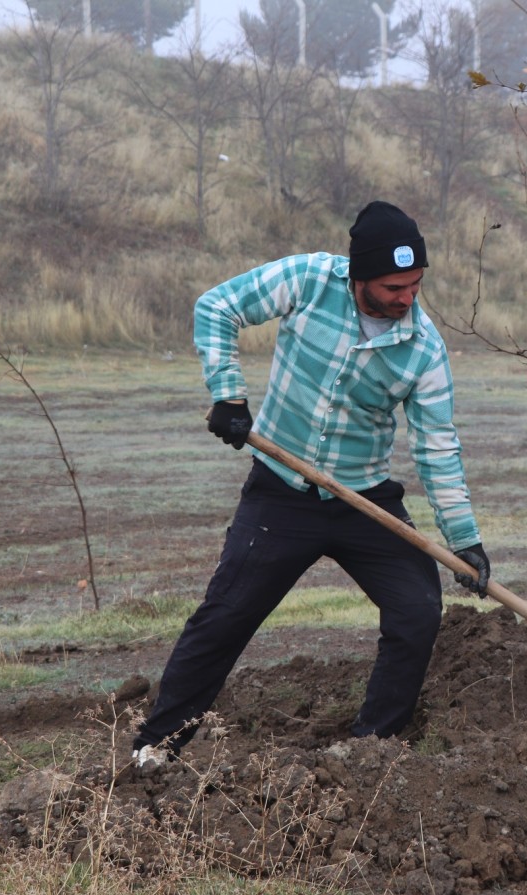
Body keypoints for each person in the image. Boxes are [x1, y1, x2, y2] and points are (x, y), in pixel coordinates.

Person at [132, 201, 492, 769]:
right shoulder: (308, 279)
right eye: (394, 287)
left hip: (365, 501)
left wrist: (464, 539)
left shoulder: (424, 349)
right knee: (225, 617)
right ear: (359, 275)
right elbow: (217, 307)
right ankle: (155, 750)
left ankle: (372, 753)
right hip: (280, 490)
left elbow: (437, 448)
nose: (408, 298)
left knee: (418, 610)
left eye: (416, 285)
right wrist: (228, 395)